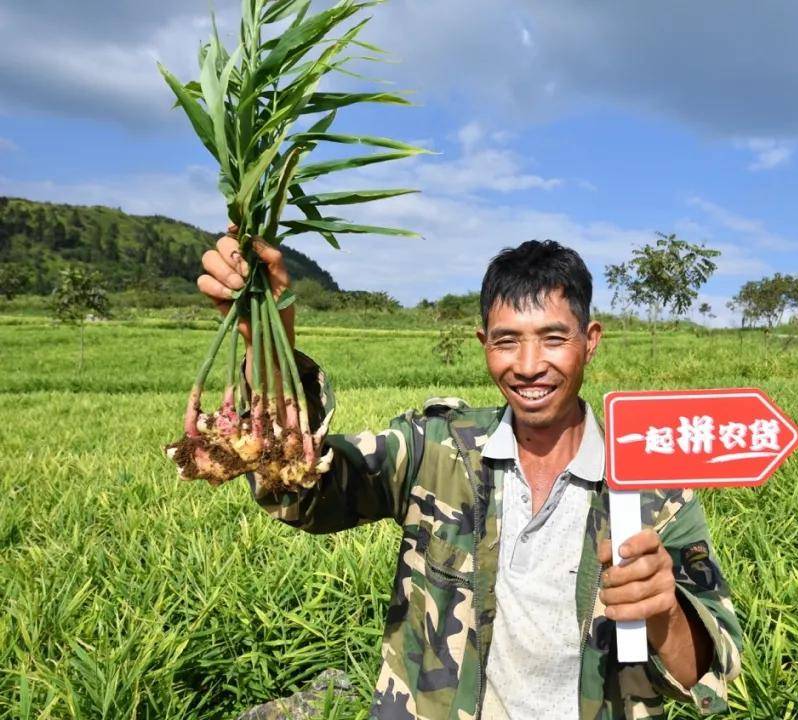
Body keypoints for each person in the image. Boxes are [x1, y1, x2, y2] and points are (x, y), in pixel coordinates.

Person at [197, 234, 743, 719]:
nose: (528, 365)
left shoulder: (651, 490)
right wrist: (267, 340)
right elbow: (306, 491)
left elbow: (707, 670)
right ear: (484, 343)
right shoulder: (437, 448)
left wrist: (663, 609)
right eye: (507, 341)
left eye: (554, 338)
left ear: (590, 339)